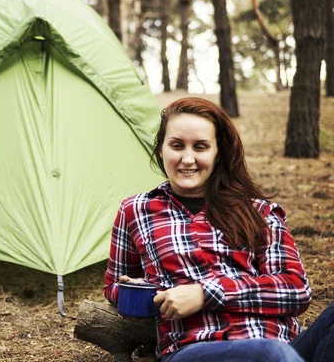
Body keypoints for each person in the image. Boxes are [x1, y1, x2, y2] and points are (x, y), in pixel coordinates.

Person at [104, 97, 334, 362]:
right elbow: (115, 285)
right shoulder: (135, 210)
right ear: (161, 150)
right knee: (271, 354)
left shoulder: (259, 212)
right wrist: (146, 291)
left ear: (218, 153)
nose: (187, 158)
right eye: (177, 145)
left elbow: (295, 290)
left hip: (283, 345)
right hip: (193, 348)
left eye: (200, 147)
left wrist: (205, 293)